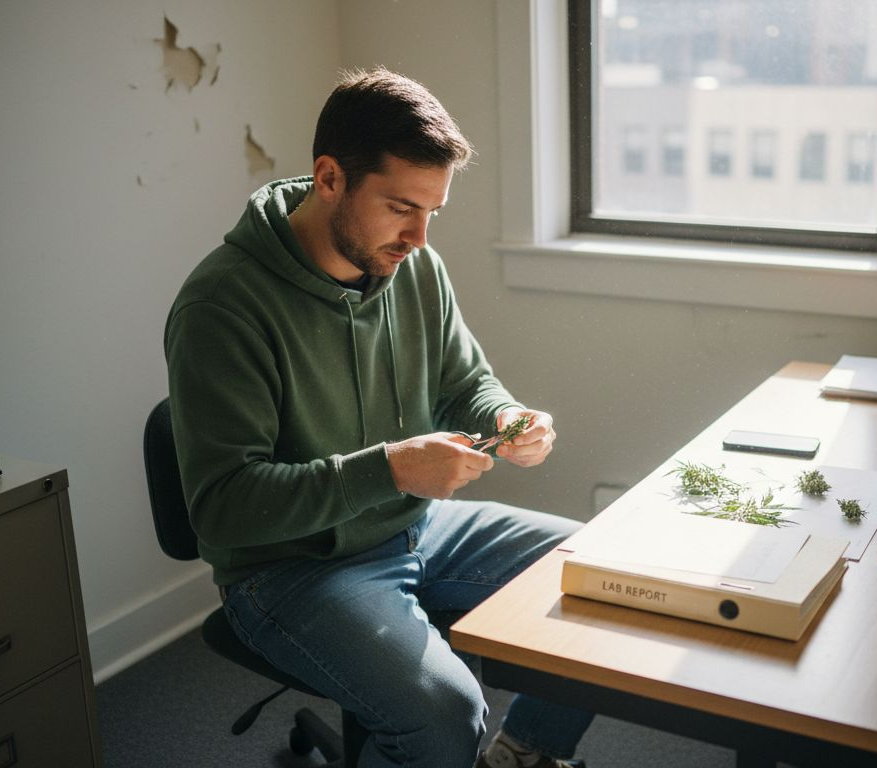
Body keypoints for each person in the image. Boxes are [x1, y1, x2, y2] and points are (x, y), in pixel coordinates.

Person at [165, 67, 593, 768]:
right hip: (288, 570)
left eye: (433, 212)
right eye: (400, 207)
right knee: (444, 712)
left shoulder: (412, 267)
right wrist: (391, 468)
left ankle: (522, 753)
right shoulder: (222, 307)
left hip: (414, 525)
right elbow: (223, 511)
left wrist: (505, 414)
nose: (420, 236)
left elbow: (465, 382)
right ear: (329, 177)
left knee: (593, 575)